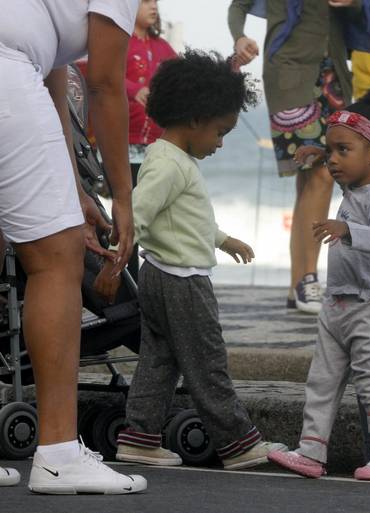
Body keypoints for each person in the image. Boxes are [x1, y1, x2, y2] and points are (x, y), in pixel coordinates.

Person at [93, 50, 288, 470]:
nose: (221, 143)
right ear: (196, 119)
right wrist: (112, 264)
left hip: (161, 275)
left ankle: (140, 437)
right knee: (207, 360)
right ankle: (237, 442)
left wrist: (223, 239)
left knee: (159, 360)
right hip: (182, 281)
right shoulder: (169, 166)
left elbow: (183, 220)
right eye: (220, 132)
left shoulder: (168, 160)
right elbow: (137, 216)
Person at [0, 0, 145, 494]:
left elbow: (53, 77)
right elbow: (104, 84)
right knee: (56, 259)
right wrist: (123, 197)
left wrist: (74, 186)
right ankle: (59, 452)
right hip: (6, 65)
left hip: (17, 64)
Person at [267, 84, 370, 481]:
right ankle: (312, 452)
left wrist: (346, 228)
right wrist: (317, 155)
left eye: (344, 151)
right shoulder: (354, 183)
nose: (336, 160)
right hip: (337, 304)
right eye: (332, 150)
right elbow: (342, 168)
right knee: (321, 381)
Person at [227, 0, 358, 315]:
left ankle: (297, 283)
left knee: (310, 181)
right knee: (323, 173)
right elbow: (238, 6)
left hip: (335, 76)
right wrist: (239, 37)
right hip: (290, 75)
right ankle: (308, 279)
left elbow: (361, 16)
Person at [125, 0, 176, 278]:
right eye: (145, 1)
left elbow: (184, 77)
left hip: (157, 146)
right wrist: (134, 89)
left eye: (155, 1)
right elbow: (97, 75)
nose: (153, 6)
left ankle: (155, 279)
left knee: (156, 215)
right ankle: (127, 281)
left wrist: (232, 67)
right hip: (124, 144)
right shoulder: (120, 43)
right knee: (130, 213)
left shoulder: (163, 48)